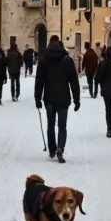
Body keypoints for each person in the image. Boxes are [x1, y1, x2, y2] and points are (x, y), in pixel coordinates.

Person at [35, 35, 81, 163]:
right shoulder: (67, 60)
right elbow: (74, 81)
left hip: (49, 97)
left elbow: (39, 80)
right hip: (63, 98)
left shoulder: (44, 59)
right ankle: (60, 148)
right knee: (62, 125)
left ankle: (51, 149)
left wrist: (37, 97)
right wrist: (77, 99)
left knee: (50, 124)